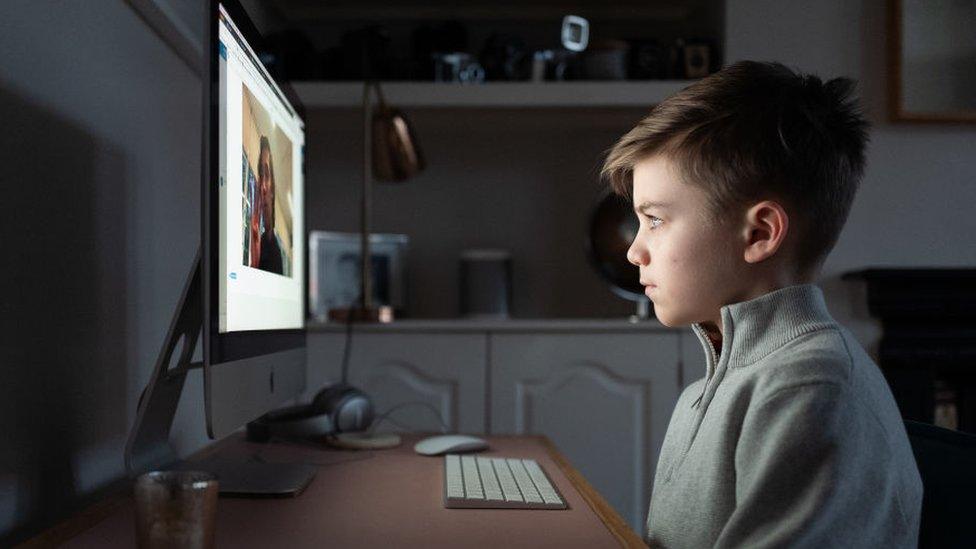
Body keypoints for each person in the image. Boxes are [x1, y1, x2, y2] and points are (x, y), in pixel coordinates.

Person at [601, 60, 922, 548]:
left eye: (656, 220)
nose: (633, 251)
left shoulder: (811, 388)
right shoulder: (711, 390)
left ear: (759, 233)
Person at [256, 136, 283, 275]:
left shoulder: (275, 252)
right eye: (261, 175)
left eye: (266, 174)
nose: (263, 186)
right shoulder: (260, 240)